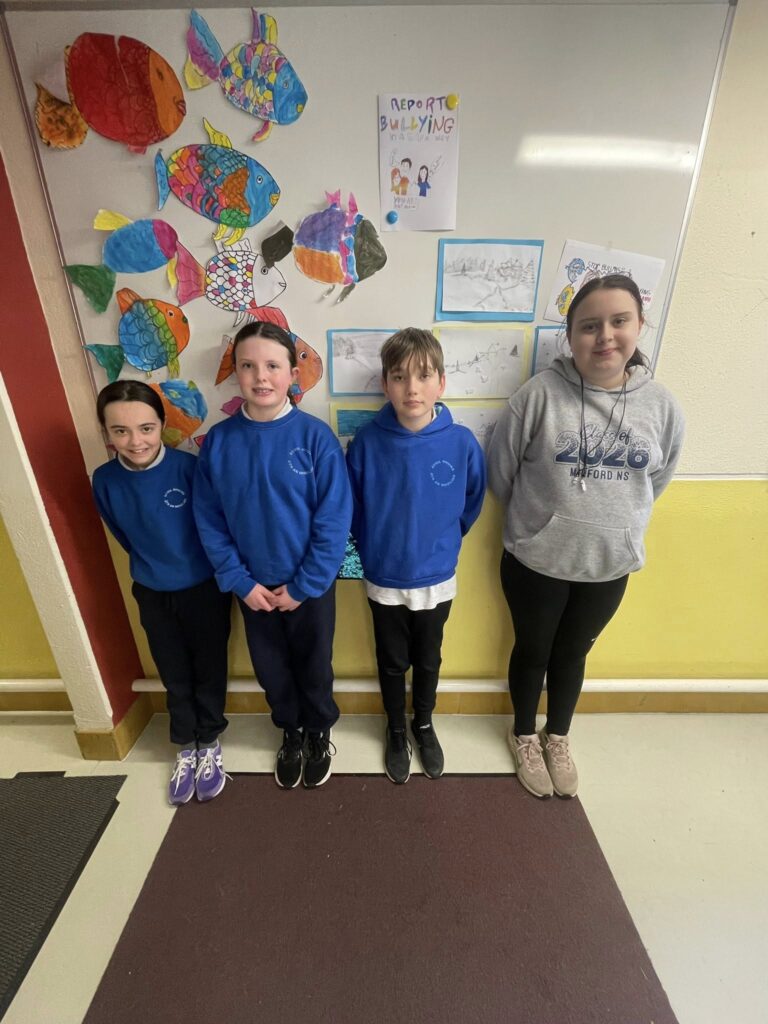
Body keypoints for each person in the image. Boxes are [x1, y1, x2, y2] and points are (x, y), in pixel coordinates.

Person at [487, 274, 684, 799]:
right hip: (537, 559)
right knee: (533, 650)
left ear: (639, 326)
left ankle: (558, 736)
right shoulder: (537, 396)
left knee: (573, 654)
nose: (605, 336)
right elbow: (501, 474)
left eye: (619, 322)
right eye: (590, 326)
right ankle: (524, 735)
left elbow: (657, 480)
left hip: (609, 564)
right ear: (571, 335)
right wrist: (546, 522)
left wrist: (615, 523)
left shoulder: (662, 407)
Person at [193, 322, 352, 790]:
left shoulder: (316, 437)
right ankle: (290, 729)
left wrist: (305, 585)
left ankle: (318, 730)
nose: (260, 376)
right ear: (235, 373)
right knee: (271, 668)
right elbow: (209, 520)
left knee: (315, 664)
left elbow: (334, 519)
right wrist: (241, 582)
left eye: (272, 366)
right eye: (248, 365)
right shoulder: (219, 442)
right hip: (253, 588)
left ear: (292, 374)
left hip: (309, 587)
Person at [346, 328, 486, 784]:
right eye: (400, 376)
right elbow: (353, 507)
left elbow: (472, 499)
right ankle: (394, 727)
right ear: (385, 384)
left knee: (428, 659)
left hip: (437, 576)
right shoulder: (367, 443)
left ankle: (423, 724)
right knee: (391, 661)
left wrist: (445, 540)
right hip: (384, 576)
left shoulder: (461, 442)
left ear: (441, 383)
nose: (412, 388)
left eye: (424, 376)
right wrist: (373, 547)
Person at [92, 380, 232, 806]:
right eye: (120, 431)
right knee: (172, 670)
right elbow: (123, 535)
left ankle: (209, 742)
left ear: (161, 425)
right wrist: (154, 571)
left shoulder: (189, 469)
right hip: (152, 591)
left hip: (203, 588)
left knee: (208, 667)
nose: (135, 441)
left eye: (146, 428)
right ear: (106, 433)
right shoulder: (105, 480)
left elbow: (213, 528)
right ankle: (185, 745)